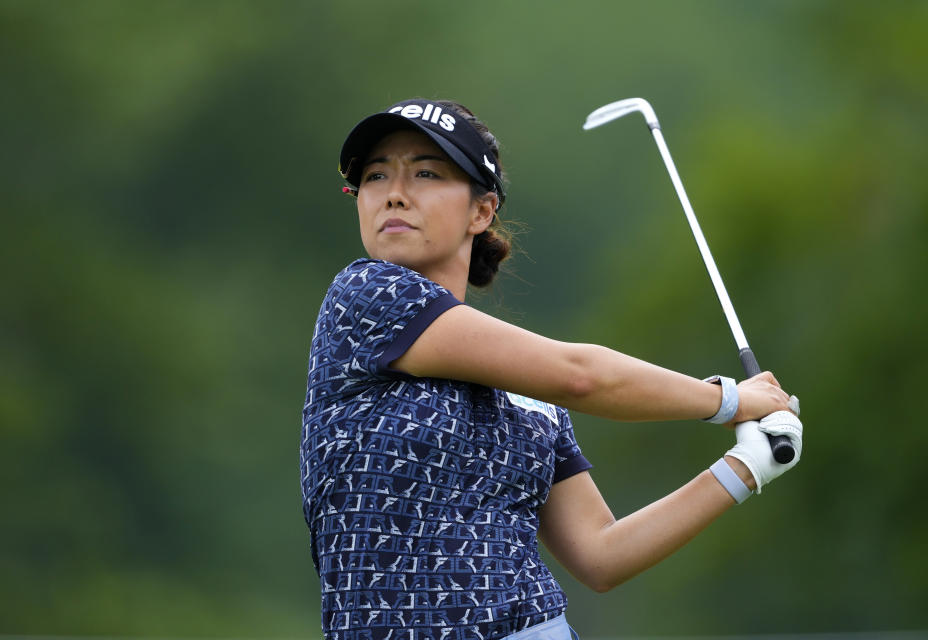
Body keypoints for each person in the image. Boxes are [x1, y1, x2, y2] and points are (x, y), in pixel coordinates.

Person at [301, 98, 803, 640]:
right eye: (376, 176)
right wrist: (728, 400)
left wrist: (746, 465)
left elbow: (600, 554)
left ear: (481, 211)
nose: (395, 192)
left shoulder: (526, 393)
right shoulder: (366, 295)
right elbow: (580, 376)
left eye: (426, 172)